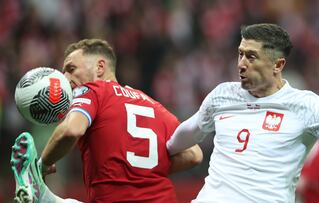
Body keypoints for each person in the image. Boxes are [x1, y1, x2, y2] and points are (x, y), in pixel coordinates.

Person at [166, 23, 319, 202]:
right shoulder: (222, 95)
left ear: (278, 65)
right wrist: (162, 150)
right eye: (240, 54)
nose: (241, 64)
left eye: (251, 57)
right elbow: (188, 132)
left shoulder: (306, 105)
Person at [11, 39, 203, 203]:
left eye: (71, 69)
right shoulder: (154, 105)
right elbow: (195, 155)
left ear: (100, 67)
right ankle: (44, 196)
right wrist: (141, 170)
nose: (65, 78)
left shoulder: (92, 90)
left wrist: (42, 165)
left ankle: (34, 183)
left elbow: (71, 130)